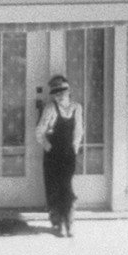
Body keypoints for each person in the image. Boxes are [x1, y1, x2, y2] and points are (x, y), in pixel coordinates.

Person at [36, 73, 79, 237]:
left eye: (62, 92)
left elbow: (78, 132)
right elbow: (39, 132)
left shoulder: (76, 108)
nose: (60, 96)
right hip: (53, 155)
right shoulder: (50, 108)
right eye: (56, 93)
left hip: (68, 154)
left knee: (66, 188)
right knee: (53, 188)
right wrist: (48, 147)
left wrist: (74, 149)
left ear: (68, 91)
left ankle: (70, 222)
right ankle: (57, 223)